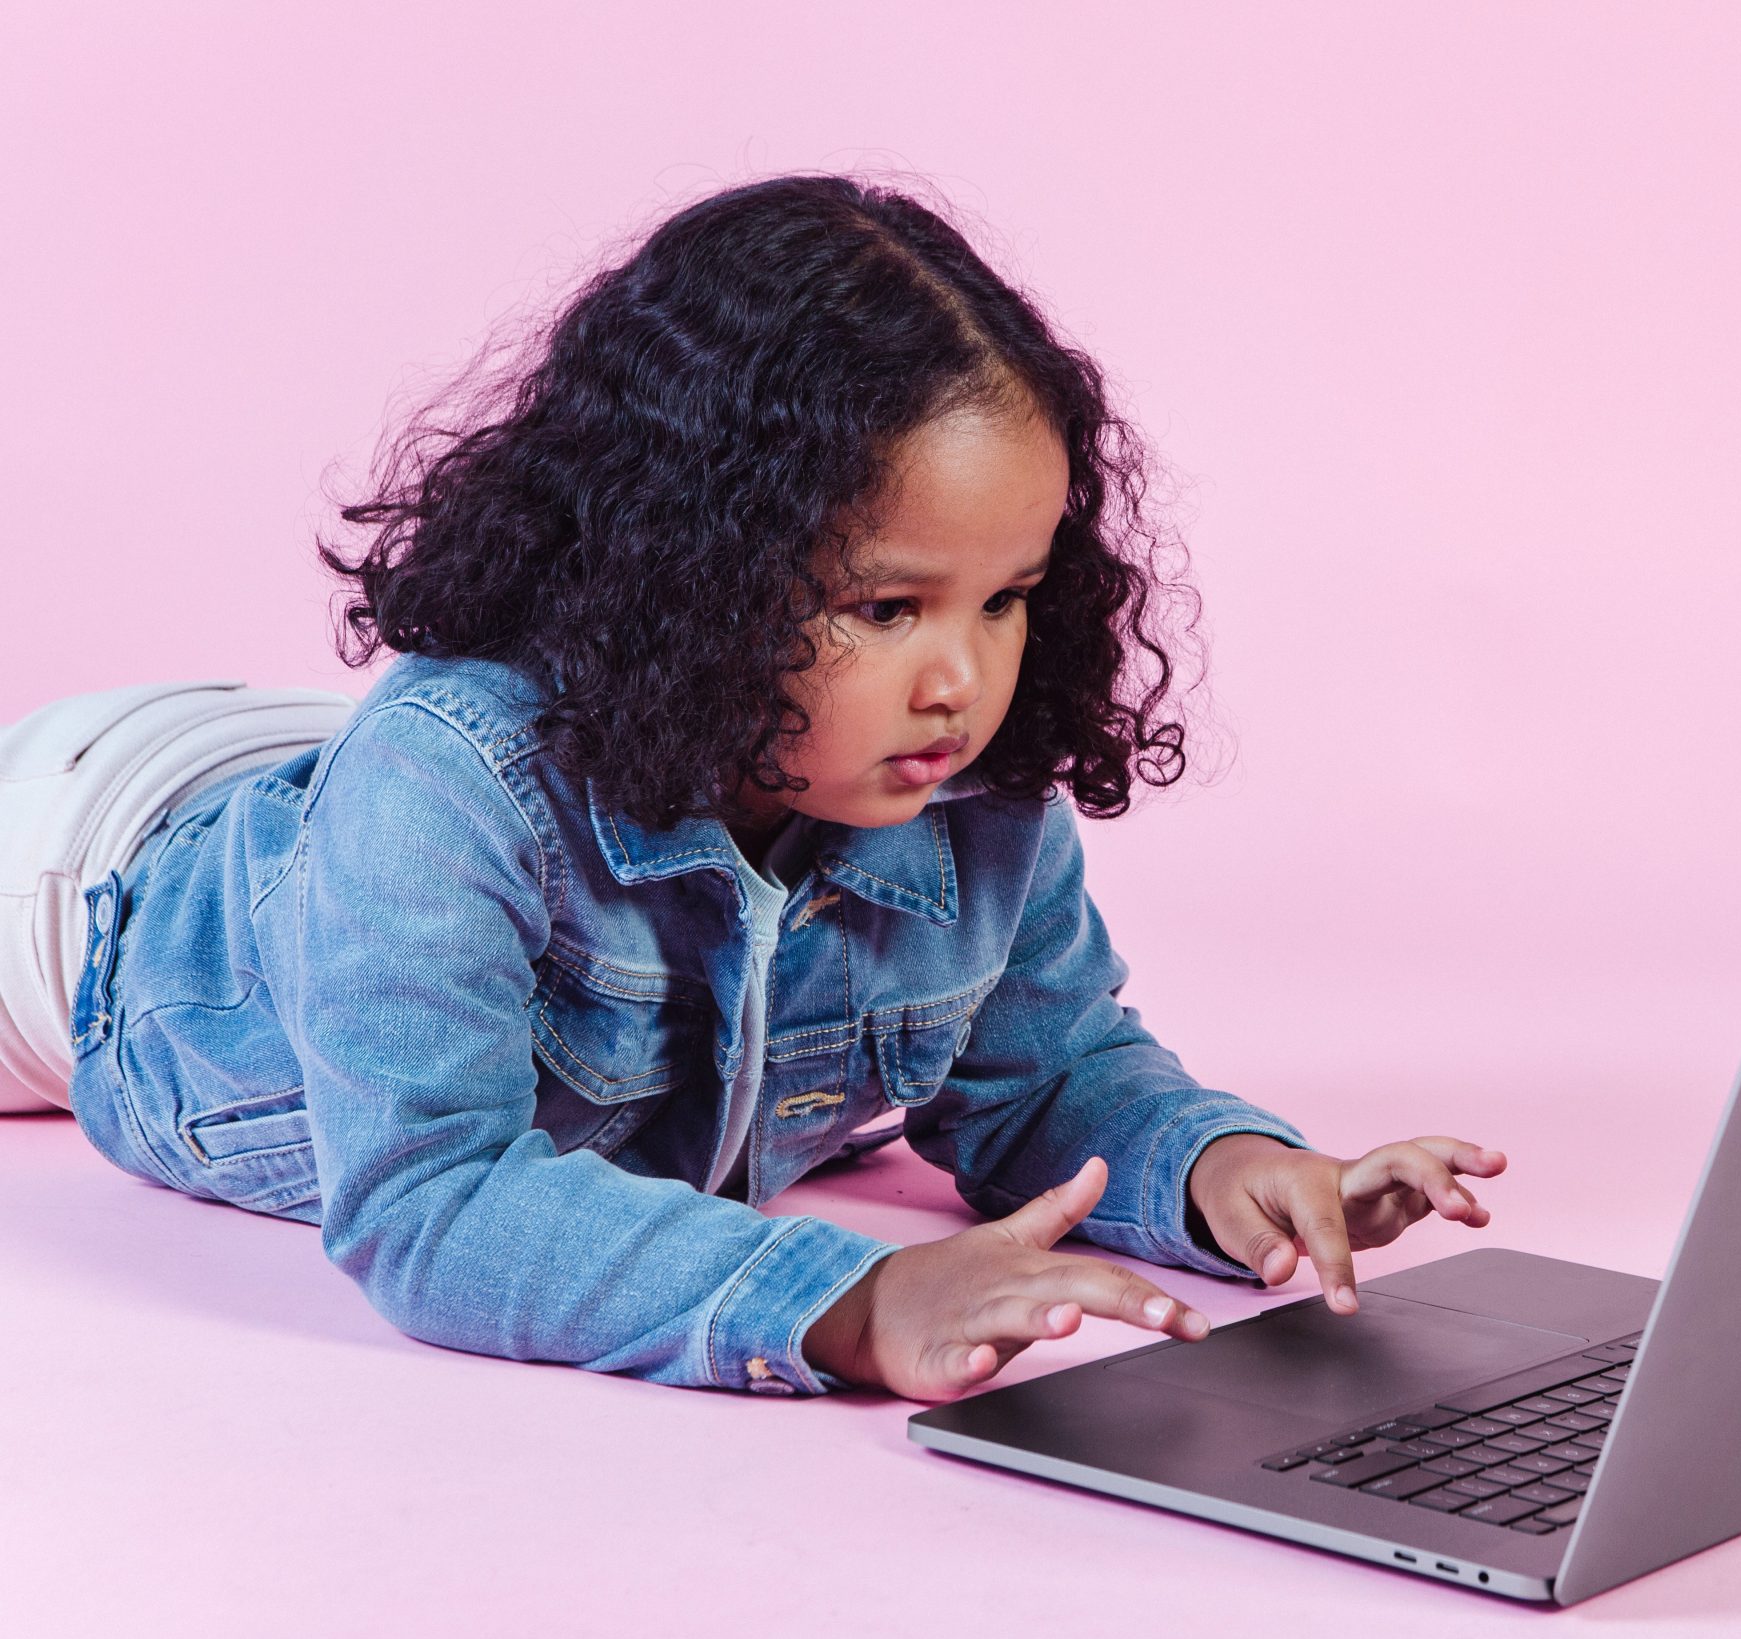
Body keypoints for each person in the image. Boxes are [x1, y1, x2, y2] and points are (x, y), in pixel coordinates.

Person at [0, 174, 1503, 1401]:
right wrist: (852, 1299)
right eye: (887, 608)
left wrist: (1231, 1171)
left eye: (1006, 599)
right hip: (73, 882)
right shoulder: (449, 786)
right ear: (693, 574)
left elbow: (1047, 1076)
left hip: (315, 795)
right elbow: (432, 1201)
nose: (961, 681)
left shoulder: (963, 796)